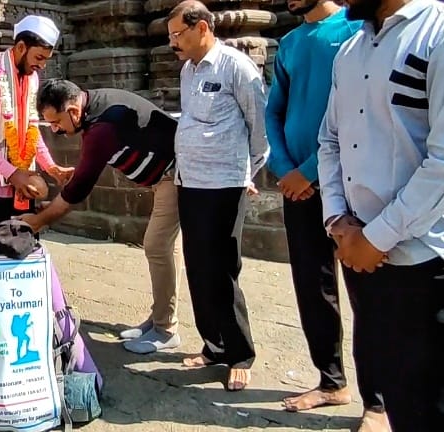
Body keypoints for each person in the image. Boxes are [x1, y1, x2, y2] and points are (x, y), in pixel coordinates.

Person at [317, 0, 444, 430]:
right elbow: (329, 141)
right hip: (365, 256)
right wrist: (337, 221)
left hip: (435, 259)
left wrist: (377, 236)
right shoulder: (351, 51)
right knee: (401, 403)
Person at [265, 0, 389, 429]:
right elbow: (273, 109)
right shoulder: (290, 42)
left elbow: (357, 116)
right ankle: (331, 381)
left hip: (350, 185)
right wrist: (283, 167)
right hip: (296, 188)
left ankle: (377, 402)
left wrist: (309, 172)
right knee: (312, 287)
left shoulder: (356, 32)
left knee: (365, 291)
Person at [20, 79, 183, 354]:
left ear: (73, 110)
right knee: (165, 247)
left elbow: (77, 192)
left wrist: (38, 221)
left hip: (177, 172)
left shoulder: (103, 126)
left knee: (157, 246)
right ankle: (160, 318)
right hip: (166, 175)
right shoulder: (95, 106)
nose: (56, 130)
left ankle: (165, 330)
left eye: (57, 122)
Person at [167, 0, 269, 391]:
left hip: (225, 185)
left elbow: (258, 127)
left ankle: (240, 354)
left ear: (203, 28)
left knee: (223, 269)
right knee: (197, 265)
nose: (174, 42)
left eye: (179, 34)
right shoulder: (188, 70)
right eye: (171, 35)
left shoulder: (235, 67)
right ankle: (213, 345)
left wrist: (247, 172)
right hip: (189, 181)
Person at [0, 15, 73, 247]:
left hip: (22, 187)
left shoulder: (31, 78)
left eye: (46, 59)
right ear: (21, 47)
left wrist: (51, 167)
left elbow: (31, 129)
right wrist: (12, 173)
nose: (41, 65)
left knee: (24, 252)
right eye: (38, 58)